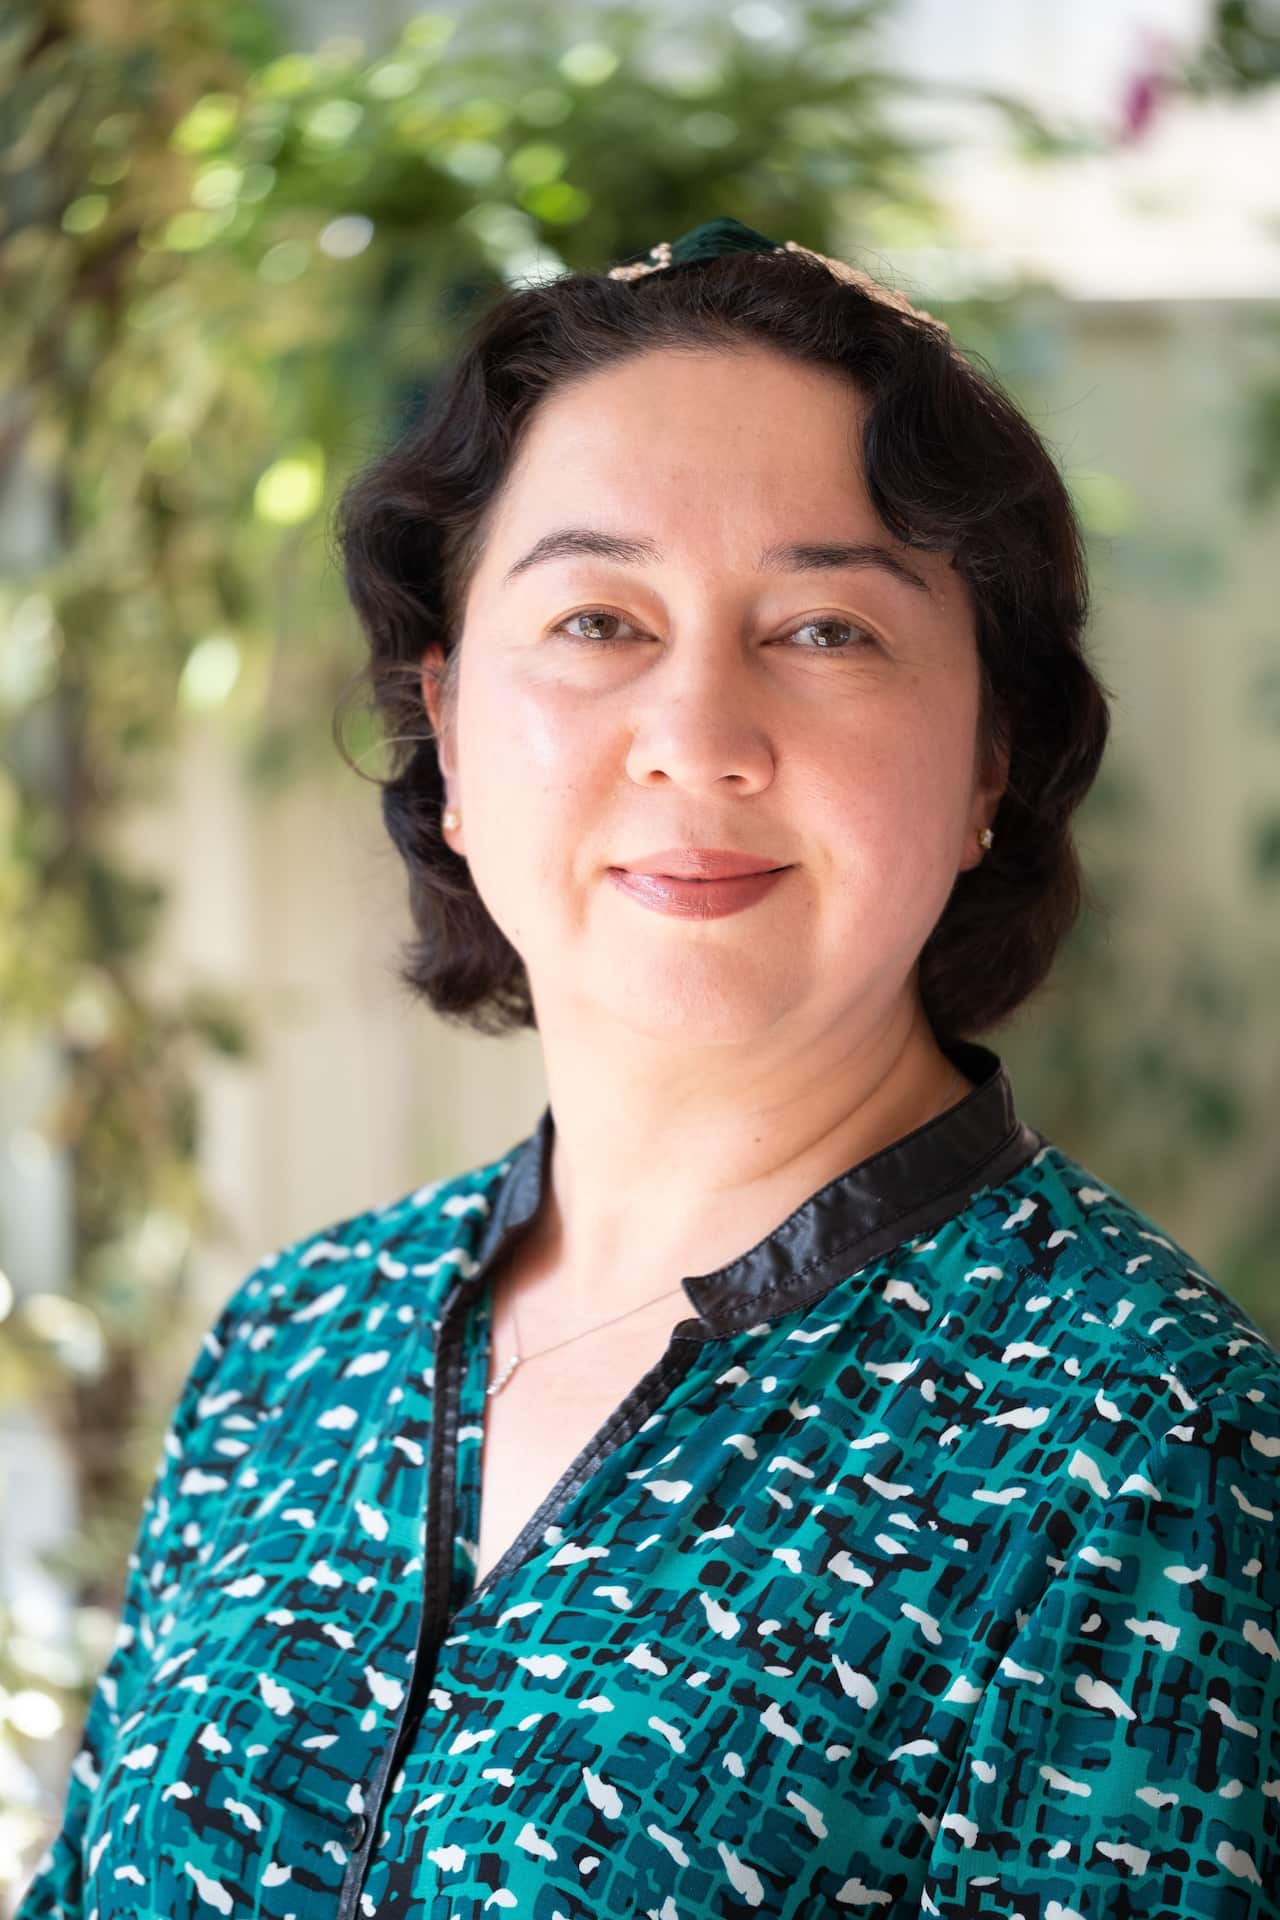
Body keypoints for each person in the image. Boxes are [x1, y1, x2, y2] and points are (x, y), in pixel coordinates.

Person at [16, 217, 1280, 1920]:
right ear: (450, 731)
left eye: (826, 629)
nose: (699, 734)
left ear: (993, 755)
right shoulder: (299, 1340)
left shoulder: (1138, 1439)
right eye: (600, 619)